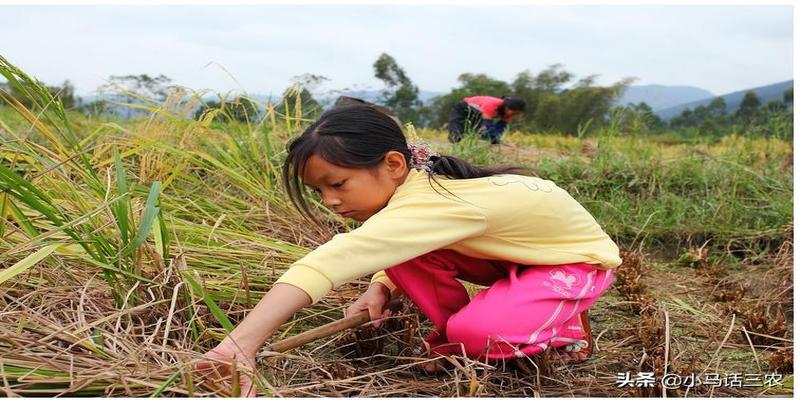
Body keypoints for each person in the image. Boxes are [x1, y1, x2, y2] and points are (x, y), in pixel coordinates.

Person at [196, 103, 620, 396]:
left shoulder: (432, 201)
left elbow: (331, 261)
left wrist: (237, 346)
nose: (330, 201)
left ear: (394, 165)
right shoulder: (415, 196)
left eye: (338, 184)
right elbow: (401, 244)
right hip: (514, 257)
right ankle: (457, 342)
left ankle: (562, 331)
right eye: (319, 190)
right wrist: (383, 283)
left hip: (574, 262)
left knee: (480, 334)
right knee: (407, 265)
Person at [448, 95, 527, 144]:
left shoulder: (508, 113)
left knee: (477, 132)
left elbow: (501, 127)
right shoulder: (491, 104)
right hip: (463, 108)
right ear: (507, 108)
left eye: (517, 114)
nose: (514, 116)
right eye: (514, 113)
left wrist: (495, 139)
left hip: (478, 112)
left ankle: (470, 144)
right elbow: (487, 125)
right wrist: (491, 137)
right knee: (457, 131)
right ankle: (454, 143)